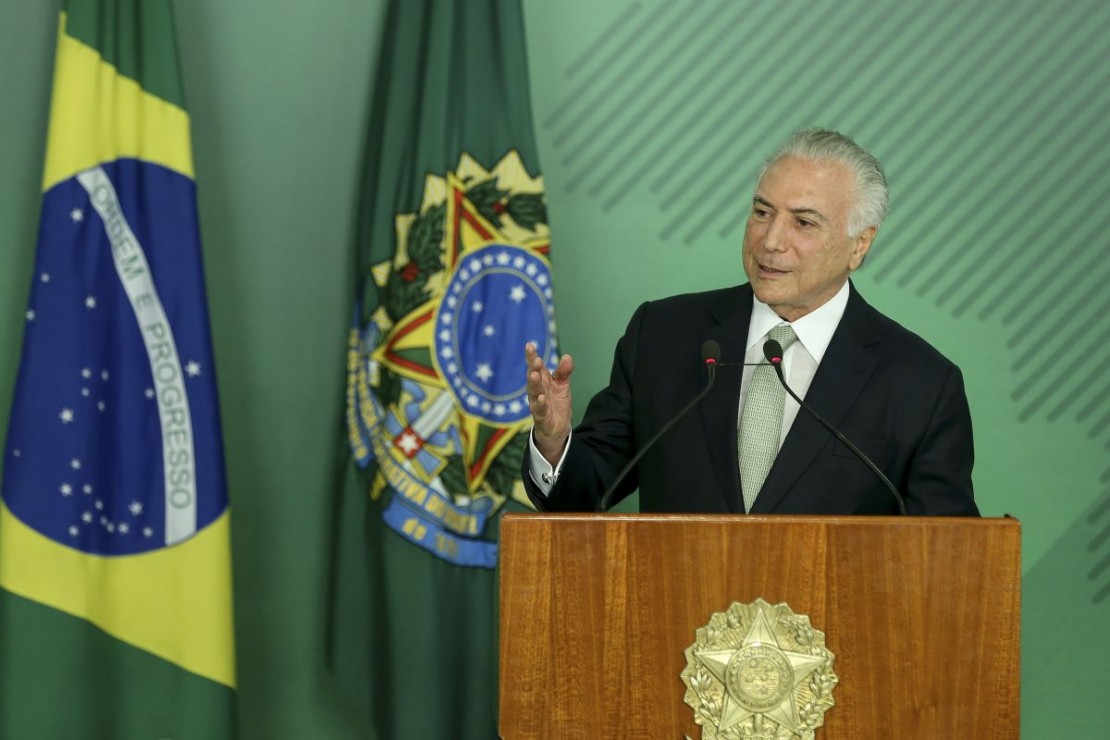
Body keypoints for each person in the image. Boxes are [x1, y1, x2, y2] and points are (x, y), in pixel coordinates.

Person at [522, 128, 978, 516]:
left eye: (803, 223)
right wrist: (554, 441)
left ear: (859, 245)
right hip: (676, 616)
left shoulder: (920, 384)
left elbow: (945, 558)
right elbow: (580, 496)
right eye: (762, 212)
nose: (771, 240)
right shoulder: (663, 335)